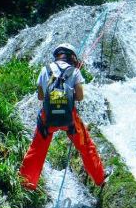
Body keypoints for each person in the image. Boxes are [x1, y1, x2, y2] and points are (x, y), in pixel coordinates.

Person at [19, 43, 106, 190]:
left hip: (48, 117)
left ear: (57, 55)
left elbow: (41, 97)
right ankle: (100, 179)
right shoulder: (75, 72)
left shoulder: (45, 70)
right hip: (69, 118)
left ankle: (26, 183)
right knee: (86, 146)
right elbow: (80, 97)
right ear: (72, 57)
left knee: (36, 149)